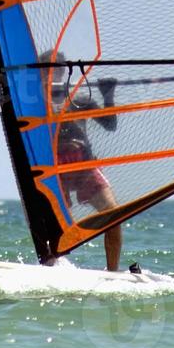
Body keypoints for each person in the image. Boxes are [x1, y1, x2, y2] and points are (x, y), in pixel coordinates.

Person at [39, 50, 124, 272]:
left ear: (62, 71)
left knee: (112, 214)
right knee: (54, 226)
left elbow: (109, 124)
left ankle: (112, 272)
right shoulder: (32, 100)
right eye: (47, 68)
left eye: (57, 67)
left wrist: (108, 96)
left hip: (83, 164)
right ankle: (50, 267)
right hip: (53, 169)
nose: (53, 72)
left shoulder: (78, 98)